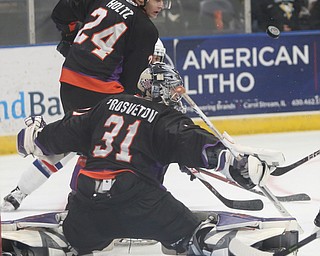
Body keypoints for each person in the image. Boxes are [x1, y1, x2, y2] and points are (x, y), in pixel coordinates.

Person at [17, 63, 270, 255]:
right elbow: (193, 142)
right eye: (173, 92)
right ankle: (219, 247)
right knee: (192, 236)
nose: (176, 98)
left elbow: (62, 134)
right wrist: (233, 163)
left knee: (73, 238)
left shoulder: (106, 106)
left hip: (87, 201)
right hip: (140, 201)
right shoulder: (165, 118)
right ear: (159, 90)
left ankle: (54, 244)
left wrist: (33, 138)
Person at [1, 0, 170, 211]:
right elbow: (130, 83)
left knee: (77, 142)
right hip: (101, 93)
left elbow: (61, 12)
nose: (162, 5)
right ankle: (81, 203)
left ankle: (19, 190)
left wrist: (70, 38)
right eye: (158, 0)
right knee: (100, 150)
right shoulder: (145, 28)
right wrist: (146, 98)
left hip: (70, 82)